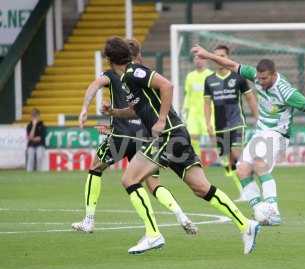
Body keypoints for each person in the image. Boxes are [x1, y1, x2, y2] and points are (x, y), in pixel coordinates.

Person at [102, 36, 261, 255]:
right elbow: (137, 109)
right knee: (201, 188)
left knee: (129, 179)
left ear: (109, 59)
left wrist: (160, 120)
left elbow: (167, 85)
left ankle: (152, 234)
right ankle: (246, 225)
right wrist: (114, 112)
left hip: (167, 135)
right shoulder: (128, 79)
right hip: (177, 134)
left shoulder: (133, 72)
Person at [192, 44, 305, 226]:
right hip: (261, 132)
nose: (261, 81)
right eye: (259, 78)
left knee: (259, 163)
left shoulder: (286, 91)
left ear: (274, 75)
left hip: (278, 135)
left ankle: (273, 212)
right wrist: (208, 55)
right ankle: (260, 211)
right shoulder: (257, 78)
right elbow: (232, 65)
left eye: (265, 78)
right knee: (242, 169)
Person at [71, 38, 197, 235]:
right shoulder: (143, 73)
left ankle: (89, 220)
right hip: (145, 135)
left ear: (111, 59)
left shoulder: (114, 74)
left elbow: (95, 84)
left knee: (96, 168)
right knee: (152, 183)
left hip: (121, 135)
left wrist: (84, 109)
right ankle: (181, 215)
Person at [203, 45, 258, 196]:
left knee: (236, 154)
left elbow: (250, 98)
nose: (220, 58)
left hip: (236, 123)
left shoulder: (238, 77)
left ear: (228, 58)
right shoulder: (209, 80)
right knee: (229, 162)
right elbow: (207, 104)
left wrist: (258, 118)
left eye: (223, 55)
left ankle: (250, 188)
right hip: (220, 126)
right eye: (216, 56)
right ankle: (243, 190)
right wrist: (207, 123)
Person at [182, 56, 213, 156]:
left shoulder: (211, 75)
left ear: (206, 60)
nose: (198, 61)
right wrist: (185, 110)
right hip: (193, 113)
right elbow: (188, 95)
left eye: (201, 58)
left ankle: (227, 164)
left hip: (208, 113)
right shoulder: (190, 76)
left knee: (213, 138)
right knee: (193, 137)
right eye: (196, 59)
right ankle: (197, 160)